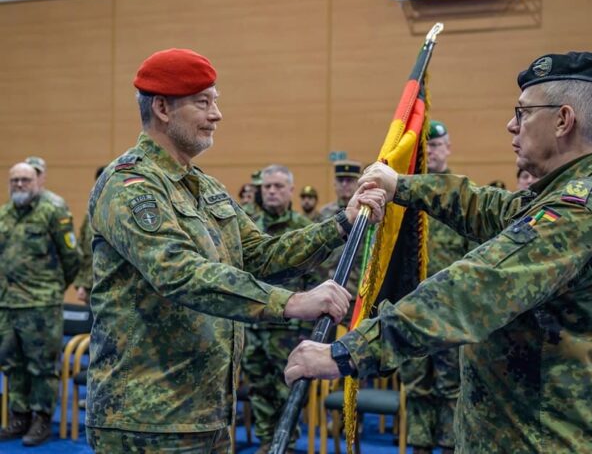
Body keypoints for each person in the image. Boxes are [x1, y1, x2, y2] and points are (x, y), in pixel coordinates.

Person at [285, 51, 592, 453]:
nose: (511, 124)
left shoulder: (581, 211)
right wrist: (401, 186)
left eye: (524, 112)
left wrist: (348, 351)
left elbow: (475, 287)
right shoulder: (568, 195)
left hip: (551, 438)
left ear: (563, 120)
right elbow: (486, 206)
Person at [85, 48, 386, 453]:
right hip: (147, 420)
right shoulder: (129, 186)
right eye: (203, 102)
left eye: (216, 101)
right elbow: (180, 273)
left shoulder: (205, 187)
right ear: (162, 108)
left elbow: (260, 255)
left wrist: (341, 225)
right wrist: (292, 302)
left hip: (208, 411)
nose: (217, 114)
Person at [400, 120, 473, 454]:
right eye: (425, 147)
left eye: (436, 145)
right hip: (411, 309)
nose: (431, 151)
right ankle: (419, 446)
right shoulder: (406, 196)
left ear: (448, 148)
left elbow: (475, 257)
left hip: (449, 311)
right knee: (416, 384)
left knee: (450, 386)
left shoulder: (462, 195)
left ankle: (447, 446)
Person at [0, 163, 79, 446]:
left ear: (37, 181)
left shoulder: (53, 210)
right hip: (7, 304)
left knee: (42, 366)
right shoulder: (4, 214)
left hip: (41, 305)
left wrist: (51, 290)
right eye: (15, 180)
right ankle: (19, 416)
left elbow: (72, 258)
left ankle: (41, 419)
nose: (19, 185)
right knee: (12, 363)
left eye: (25, 179)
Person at [242, 165, 317, 454]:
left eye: (278, 186)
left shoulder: (304, 228)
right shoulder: (249, 226)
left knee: (290, 389)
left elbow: (316, 279)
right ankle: (265, 443)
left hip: (290, 329)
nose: (271, 191)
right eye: (267, 186)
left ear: (291, 190)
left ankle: (287, 444)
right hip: (255, 324)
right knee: (259, 387)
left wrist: (309, 327)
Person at [317, 160, 364, 321]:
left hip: (359, 293)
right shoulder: (324, 214)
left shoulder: (368, 213)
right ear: (334, 184)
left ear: (358, 183)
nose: (345, 185)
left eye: (349, 180)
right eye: (340, 180)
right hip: (329, 292)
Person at [74, 166, 105, 304]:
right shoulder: (90, 215)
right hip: (91, 288)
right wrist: (81, 284)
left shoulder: (122, 214)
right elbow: (82, 250)